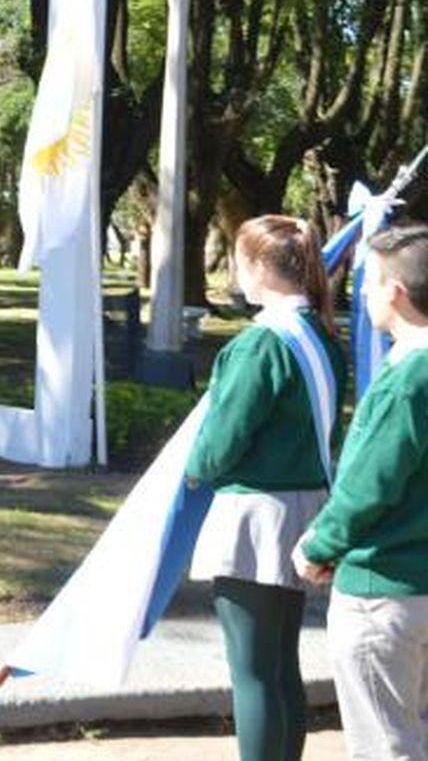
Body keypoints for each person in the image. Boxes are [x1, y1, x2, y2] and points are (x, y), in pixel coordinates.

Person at [183, 216, 344, 761]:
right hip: (307, 508)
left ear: (255, 266)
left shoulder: (259, 346)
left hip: (255, 513)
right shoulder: (321, 335)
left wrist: (193, 468)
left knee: (250, 671)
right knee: (282, 665)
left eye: (237, 259)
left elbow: (222, 439)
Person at [293, 223, 428, 760]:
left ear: (395, 291)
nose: (363, 294)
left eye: (369, 283)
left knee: (385, 749)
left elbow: (370, 485)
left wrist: (319, 545)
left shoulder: (408, 380)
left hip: (384, 589)